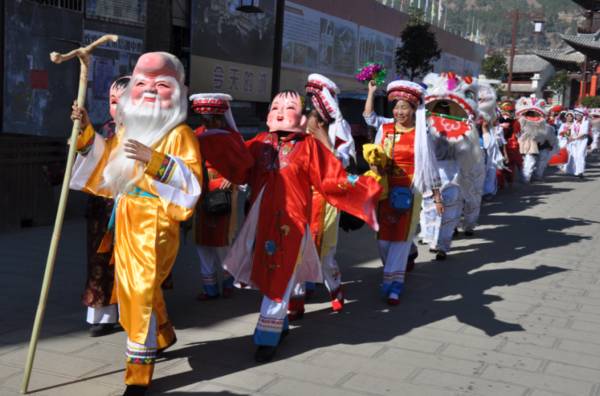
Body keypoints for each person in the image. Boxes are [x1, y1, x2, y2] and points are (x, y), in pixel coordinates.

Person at [70, 52, 202, 395]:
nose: (150, 91)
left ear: (178, 90)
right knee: (135, 286)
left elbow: (191, 184)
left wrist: (153, 160)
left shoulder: (180, 133)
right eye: (142, 83)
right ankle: (162, 335)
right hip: (125, 217)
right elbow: (105, 161)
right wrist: (84, 130)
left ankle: (137, 375)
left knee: (139, 293)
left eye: (161, 85)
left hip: (156, 220)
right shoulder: (129, 127)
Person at [223, 90, 381, 363]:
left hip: (291, 222)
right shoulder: (261, 142)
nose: (281, 112)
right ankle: (279, 324)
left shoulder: (309, 146)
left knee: (279, 275)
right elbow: (239, 167)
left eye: (290, 107)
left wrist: (360, 184)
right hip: (260, 222)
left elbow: (330, 179)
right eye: (275, 106)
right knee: (268, 274)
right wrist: (216, 140)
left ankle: (266, 336)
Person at [364, 79, 441, 299]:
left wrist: (437, 197)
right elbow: (370, 125)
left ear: (414, 109)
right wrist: (371, 92)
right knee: (383, 240)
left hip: (410, 190)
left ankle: (394, 284)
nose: (399, 111)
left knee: (401, 238)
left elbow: (431, 166)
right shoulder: (385, 129)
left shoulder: (421, 135)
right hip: (386, 190)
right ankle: (393, 271)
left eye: (404, 107)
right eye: (396, 107)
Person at [288, 74, 354, 319]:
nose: (312, 104)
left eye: (317, 99)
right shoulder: (298, 127)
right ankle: (295, 303)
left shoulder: (338, 128)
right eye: (310, 99)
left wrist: (322, 137)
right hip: (298, 198)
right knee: (295, 252)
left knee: (324, 254)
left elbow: (342, 164)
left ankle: (335, 291)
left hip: (326, 200)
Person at [189, 93, 252, 300]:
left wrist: (233, 179)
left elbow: (244, 164)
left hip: (223, 193)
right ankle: (210, 288)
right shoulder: (194, 135)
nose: (208, 123)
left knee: (222, 242)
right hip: (201, 191)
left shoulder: (232, 138)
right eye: (204, 119)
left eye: (212, 119)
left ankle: (227, 282)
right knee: (202, 242)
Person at [83, 76, 129, 337]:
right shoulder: (107, 128)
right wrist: (83, 129)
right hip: (104, 204)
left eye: (124, 100)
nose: (117, 106)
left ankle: (131, 312)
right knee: (100, 261)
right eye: (113, 101)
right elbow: (94, 156)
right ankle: (102, 314)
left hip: (134, 206)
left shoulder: (148, 132)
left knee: (131, 263)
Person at [515, 97, 555, 183]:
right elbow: (517, 133)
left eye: (534, 113)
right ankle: (526, 177)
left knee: (541, 161)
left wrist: (550, 144)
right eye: (530, 113)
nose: (532, 115)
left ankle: (537, 176)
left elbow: (549, 134)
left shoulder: (544, 123)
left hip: (542, 145)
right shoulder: (521, 121)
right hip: (527, 144)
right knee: (529, 160)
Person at [498, 100, 522, 186]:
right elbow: (518, 133)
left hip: (506, 144)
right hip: (509, 144)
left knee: (503, 164)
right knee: (509, 164)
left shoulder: (499, 119)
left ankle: (503, 182)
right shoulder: (515, 121)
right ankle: (507, 181)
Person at [564, 108, 590, 178]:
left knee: (580, 155)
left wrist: (574, 138)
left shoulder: (586, 122)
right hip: (574, 142)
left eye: (579, 115)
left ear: (582, 116)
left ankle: (580, 172)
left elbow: (584, 133)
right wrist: (568, 136)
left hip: (582, 141)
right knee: (575, 156)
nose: (577, 117)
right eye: (576, 115)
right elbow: (568, 131)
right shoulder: (574, 122)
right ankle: (576, 171)